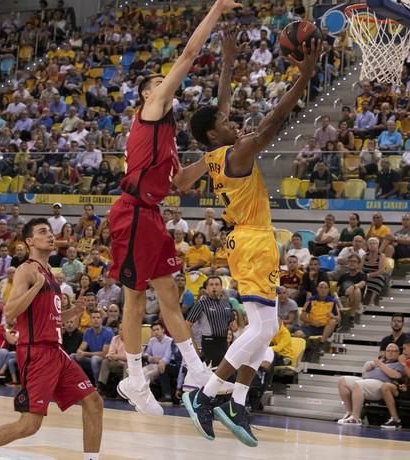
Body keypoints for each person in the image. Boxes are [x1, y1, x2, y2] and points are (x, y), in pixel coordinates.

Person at [182, 32, 322, 446]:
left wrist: (227, 61)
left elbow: (218, 109)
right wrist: (305, 77)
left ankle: (237, 400)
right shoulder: (238, 152)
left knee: (268, 327)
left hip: (245, 241)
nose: (232, 122)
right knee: (261, 329)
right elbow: (273, 120)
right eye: (226, 125)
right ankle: (208, 394)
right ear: (213, 136)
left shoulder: (212, 156)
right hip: (256, 241)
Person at [108, 0, 241, 416]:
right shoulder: (150, 110)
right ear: (149, 93)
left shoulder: (164, 139)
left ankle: (197, 369)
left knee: (169, 292)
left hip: (150, 215)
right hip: (130, 214)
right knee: (134, 300)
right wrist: (217, 9)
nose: (166, 85)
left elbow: (180, 183)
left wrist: (218, 154)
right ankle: (133, 377)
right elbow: (187, 56)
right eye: (158, 82)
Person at [0, 218, 103, 460]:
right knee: (29, 424)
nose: (50, 236)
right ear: (29, 241)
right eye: (42, 232)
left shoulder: (49, 272)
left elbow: (48, 317)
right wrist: (35, 287)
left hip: (55, 351)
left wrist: (72, 313)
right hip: (37, 352)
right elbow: (11, 311)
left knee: (94, 402)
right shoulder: (27, 270)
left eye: (50, 232)